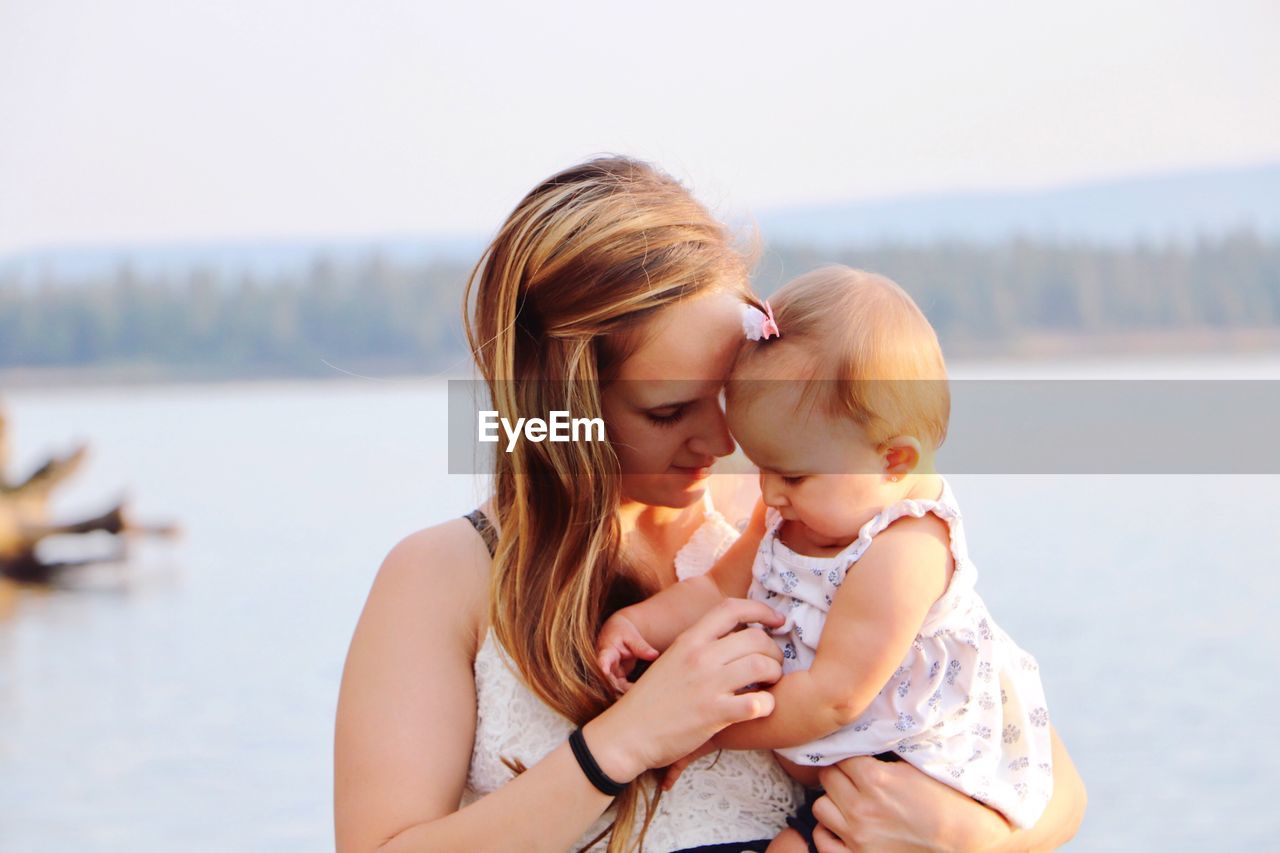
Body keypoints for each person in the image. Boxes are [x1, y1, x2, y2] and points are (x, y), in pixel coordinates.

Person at [333, 157, 1086, 852]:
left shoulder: (796, 522)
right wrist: (623, 742)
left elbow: (1043, 772)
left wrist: (970, 838)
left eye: (732, 397)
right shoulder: (444, 575)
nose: (723, 439)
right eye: (668, 412)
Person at [598, 267, 1056, 851]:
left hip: (908, 772)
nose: (768, 495)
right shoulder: (798, 509)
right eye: (762, 468)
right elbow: (717, 589)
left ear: (892, 461)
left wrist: (702, 731)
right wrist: (637, 623)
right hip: (843, 769)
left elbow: (834, 695)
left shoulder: (905, 550)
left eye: (790, 474)